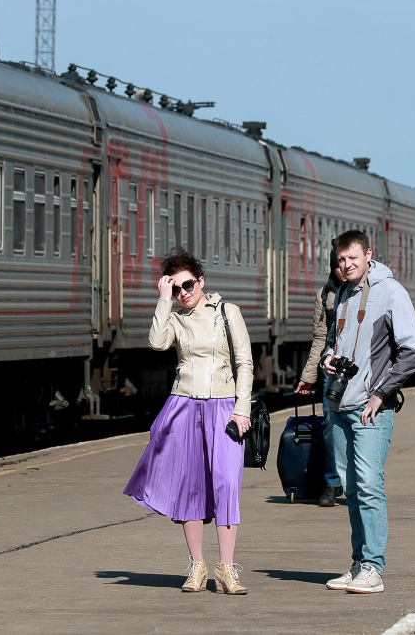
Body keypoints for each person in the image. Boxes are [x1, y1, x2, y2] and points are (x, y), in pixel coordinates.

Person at [124, 247, 253, 595]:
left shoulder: (228, 312)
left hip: (224, 408)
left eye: (189, 285)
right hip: (183, 407)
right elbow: (156, 343)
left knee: (227, 482)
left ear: (201, 281)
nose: (185, 293)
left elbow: (245, 364)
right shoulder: (175, 316)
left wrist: (242, 409)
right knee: (191, 487)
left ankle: (227, 568)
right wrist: (163, 300)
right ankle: (197, 566)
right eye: (177, 288)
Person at [320, 230, 415, 595]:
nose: (346, 265)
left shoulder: (391, 292)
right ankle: (358, 564)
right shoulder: (345, 293)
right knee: (351, 489)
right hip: (339, 405)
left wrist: (381, 393)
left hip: (370, 408)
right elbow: (334, 342)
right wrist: (327, 359)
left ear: (368, 255)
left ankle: (373, 568)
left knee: (368, 486)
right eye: (340, 261)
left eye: (352, 258)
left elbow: (414, 350)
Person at [295, 248, 346, 507]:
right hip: (332, 369)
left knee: (359, 426)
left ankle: (358, 483)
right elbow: (319, 339)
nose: (344, 268)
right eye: (338, 264)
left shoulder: (371, 291)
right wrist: (308, 376)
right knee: (330, 426)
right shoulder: (325, 295)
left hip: (362, 371)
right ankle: (333, 482)